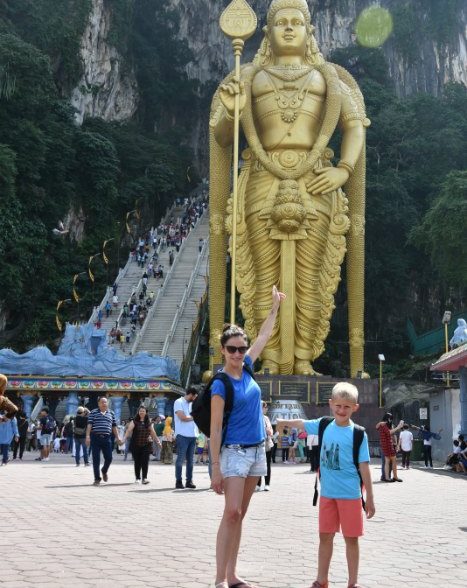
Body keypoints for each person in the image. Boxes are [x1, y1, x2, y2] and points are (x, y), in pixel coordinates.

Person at [209, 0, 368, 377]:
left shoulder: (325, 77)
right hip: (262, 179)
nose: (290, 28)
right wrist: (232, 109)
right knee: (264, 279)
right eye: (282, 22)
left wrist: (344, 170)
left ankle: (302, 358)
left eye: (298, 22)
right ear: (268, 31)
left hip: (316, 180)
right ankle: (268, 359)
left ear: (309, 30)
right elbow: (221, 136)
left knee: (312, 277)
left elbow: (355, 124)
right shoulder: (248, 77)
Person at [210, 285, 285, 588]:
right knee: (231, 512)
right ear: (223, 351)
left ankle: (232, 574)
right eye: (233, 349)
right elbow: (215, 428)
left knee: (240, 515)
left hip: (256, 451)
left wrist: (275, 307)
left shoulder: (249, 369)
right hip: (234, 452)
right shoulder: (220, 383)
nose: (239, 353)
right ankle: (218, 578)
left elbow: (265, 337)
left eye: (242, 348)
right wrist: (215, 467)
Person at [276, 382, 375, 588]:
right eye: (338, 405)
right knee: (325, 537)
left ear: (355, 407)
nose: (341, 410)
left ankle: (353, 583)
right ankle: (321, 580)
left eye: (347, 407)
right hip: (327, 494)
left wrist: (370, 499)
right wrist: (284, 421)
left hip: (350, 495)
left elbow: (364, 467)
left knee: (351, 539)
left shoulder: (358, 434)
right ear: (331, 404)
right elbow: (303, 423)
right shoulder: (323, 424)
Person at [86, 397, 123, 486]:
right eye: (102, 402)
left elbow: (114, 426)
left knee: (109, 458)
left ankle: (104, 470)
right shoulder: (93, 413)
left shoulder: (111, 413)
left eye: (106, 402)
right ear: (98, 404)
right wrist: (87, 436)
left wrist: (118, 438)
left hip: (107, 438)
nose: (104, 404)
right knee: (96, 459)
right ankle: (97, 479)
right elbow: (89, 425)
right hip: (95, 437)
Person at [123, 406, 161, 484]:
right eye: (140, 411)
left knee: (145, 461)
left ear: (146, 412)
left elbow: (153, 432)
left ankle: (145, 478)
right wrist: (124, 439)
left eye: (143, 411)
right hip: (135, 444)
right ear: (138, 412)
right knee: (137, 461)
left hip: (146, 444)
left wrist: (158, 441)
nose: (141, 412)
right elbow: (128, 430)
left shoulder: (148, 422)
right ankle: (137, 478)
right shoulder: (134, 421)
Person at [174, 387, 199, 489]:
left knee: (190, 460)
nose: (194, 399)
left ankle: (189, 481)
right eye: (194, 397)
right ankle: (178, 481)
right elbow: (182, 417)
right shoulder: (178, 402)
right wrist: (195, 416)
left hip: (193, 435)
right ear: (190, 394)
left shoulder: (192, 404)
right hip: (182, 435)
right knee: (180, 459)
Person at [376, 413, 404, 482]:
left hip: (390, 444)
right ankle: (386, 477)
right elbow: (388, 432)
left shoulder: (389, 425)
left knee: (392, 461)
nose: (390, 420)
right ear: (387, 418)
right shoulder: (382, 425)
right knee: (387, 461)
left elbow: (393, 435)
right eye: (390, 418)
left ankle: (392, 476)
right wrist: (398, 427)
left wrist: (397, 445)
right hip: (386, 445)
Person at [257, 402, 274, 491]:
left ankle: (267, 484)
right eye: (265, 407)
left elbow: (271, 429)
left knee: (267, 464)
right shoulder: (255, 418)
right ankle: (258, 484)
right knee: (258, 465)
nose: (266, 409)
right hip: (258, 444)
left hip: (267, 444)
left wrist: (270, 431)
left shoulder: (266, 418)